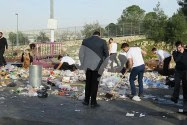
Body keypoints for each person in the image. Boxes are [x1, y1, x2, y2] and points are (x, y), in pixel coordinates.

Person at [79, 31, 109, 108]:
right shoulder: (102, 41)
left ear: (92, 34)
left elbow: (81, 54)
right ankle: (93, 102)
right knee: (95, 84)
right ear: (99, 35)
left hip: (88, 66)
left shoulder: (85, 41)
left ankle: (86, 101)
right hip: (98, 67)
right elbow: (106, 55)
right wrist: (104, 65)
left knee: (88, 82)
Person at [171, 41, 187, 111]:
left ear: (182, 46)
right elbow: (176, 60)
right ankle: (175, 98)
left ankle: (185, 98)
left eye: (180, 47)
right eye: (178, 47)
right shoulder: (175, 53)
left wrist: (184, 48)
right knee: (176, 84)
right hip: (178, 71)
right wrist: (180, 52)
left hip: (185, 71)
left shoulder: (186, 51)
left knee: (185, 85)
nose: (179, 48)